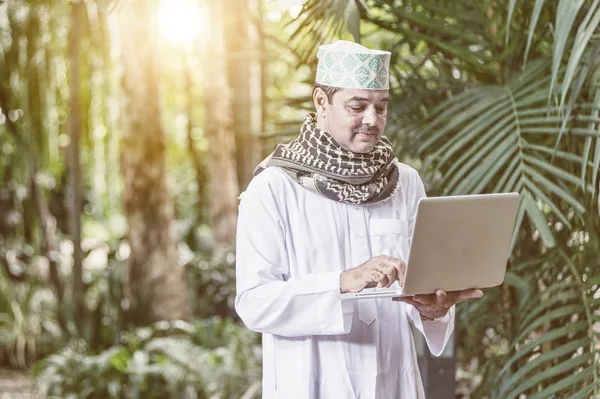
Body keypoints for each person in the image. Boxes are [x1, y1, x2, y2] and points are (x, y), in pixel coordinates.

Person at [235, 40, 483, 399]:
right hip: (311, 385)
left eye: (381, 107)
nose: (372, 119)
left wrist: (434, 310)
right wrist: (342, 281)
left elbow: (421, 286)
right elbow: (254, 302)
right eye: (358, 105)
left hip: (394, 383)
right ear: (321, 102)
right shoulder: (274, 187)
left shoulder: (406, 182)